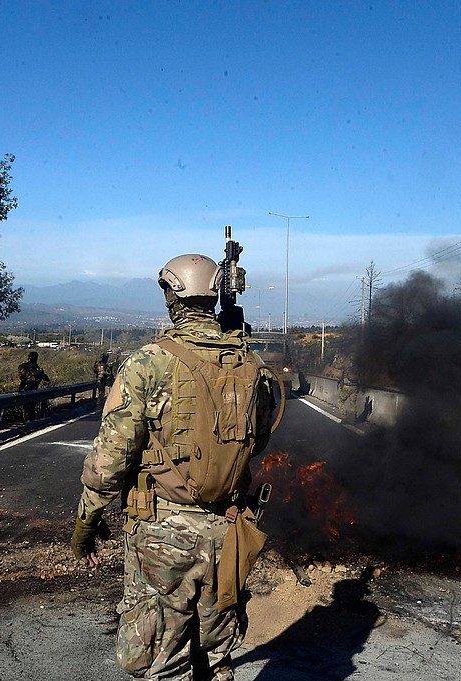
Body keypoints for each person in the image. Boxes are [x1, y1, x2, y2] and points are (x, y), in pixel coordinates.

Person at [72, 254, 277, 681]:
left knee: (161, 659)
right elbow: (254, 442)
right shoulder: (251, 364)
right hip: (230, 529)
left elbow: (111, 458)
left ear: (172, 295)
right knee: (218, 657)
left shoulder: (150, 361)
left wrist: (86, 521)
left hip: (164, 533)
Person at [17, 351, 50, 420]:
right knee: (30, 407)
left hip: (24, 388)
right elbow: (41, 377)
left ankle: (28, 418)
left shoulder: (25, 366)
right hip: (30, 389)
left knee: (28, 407)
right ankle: (30, 419)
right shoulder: (31, 367)